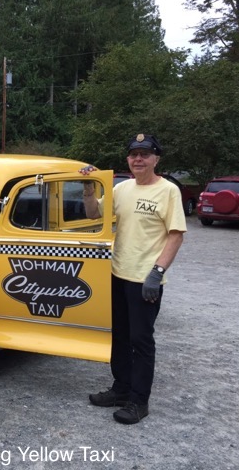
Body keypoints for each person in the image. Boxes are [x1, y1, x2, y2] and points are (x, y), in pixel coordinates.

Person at [80, 133, 187, 424]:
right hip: (118, 273)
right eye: (133, 154)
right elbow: (93, 214)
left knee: (141, 341)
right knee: (120, 336)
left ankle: (139, 401)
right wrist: (89, 188)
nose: (138, 159)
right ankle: (121, 389)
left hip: (145, 279)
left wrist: (158, 272)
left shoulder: (168, 191)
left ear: (156, 159)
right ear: (128, 159)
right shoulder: (122, 188)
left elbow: (176, 235)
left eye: (144, 154)